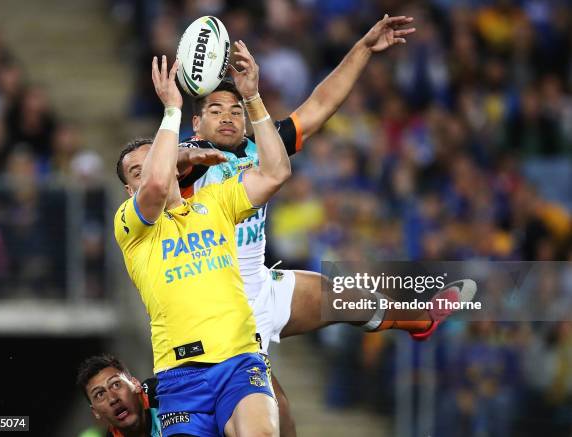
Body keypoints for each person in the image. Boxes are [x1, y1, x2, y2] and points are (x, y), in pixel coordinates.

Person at [168, 15, 475, 436]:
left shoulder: (260, 146)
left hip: (261, 283)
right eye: (215, 110)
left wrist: (363, 49)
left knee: (342, 295)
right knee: (279, 415)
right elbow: (160, 173)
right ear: (196, 123)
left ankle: (419, 321)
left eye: (236, 110)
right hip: (223, 310)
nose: (227, 117)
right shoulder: (186, 163)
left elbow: (318, 107)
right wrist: (178, 139)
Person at [113, 43, 307, 436]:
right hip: (180, 378)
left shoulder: (214, 201)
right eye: (136, 171)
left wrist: (252, 97)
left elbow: (275, 173)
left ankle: (417, 316)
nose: (151, 171)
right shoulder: (130, 228)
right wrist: (172, 110)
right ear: (128, 192)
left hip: (239, 362)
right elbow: (154, 185)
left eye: (154, 159)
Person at [76, 354, 160, 437]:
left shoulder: (162, 391)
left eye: (116, 384)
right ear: (95, 412)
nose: (112, 399)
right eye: (100, 394)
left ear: (136, 384)